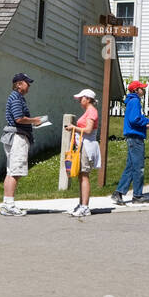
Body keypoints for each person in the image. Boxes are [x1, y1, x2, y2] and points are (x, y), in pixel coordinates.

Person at [1, 73, 42, 216]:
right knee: (16, 172)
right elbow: (19, 118)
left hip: (12, 136)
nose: (29, 85)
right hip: (17, 137)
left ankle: (6, 204)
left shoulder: (16, 97)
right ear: (19, 84)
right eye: (26, 83)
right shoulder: (16, 98)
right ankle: (10, 205)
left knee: (10, 171)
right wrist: (35, 120)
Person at [111, 81, 149, 205]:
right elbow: (135, 119)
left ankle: (118, 193)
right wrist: (148, 121)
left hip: (132, 136)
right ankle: (137, 196)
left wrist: (146, 125)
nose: (144, 90)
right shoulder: (135, 101)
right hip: (135, 138)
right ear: (136, 90)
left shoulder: (131, 101)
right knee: (139, 167)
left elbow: (134, 119)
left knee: (131, 167)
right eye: (142, 88)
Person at [64, 88, 100, 217]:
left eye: (81, 98)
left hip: (88, 146)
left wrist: (74, 128)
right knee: (81, 176)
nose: (79, 100)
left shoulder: (91, 111)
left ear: (88, 99)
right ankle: (81, 204)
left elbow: (89, 130)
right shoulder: (88, 111)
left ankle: (85, 207)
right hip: (82, 146)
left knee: (84, 175)